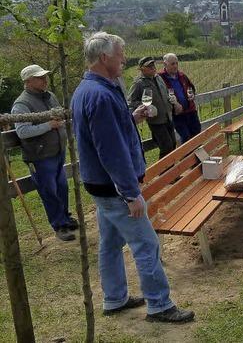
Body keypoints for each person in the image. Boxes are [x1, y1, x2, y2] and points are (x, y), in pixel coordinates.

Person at [71, 32, 194, 323]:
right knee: (146, 244)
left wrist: (131, 118)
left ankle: (114, 298)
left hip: (99, 185)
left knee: (111, 244)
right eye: (120, 54)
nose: (124, 59)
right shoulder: (100, 95)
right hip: (114, 188)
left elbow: (105, 132)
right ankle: (159, 304)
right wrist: (129, 193)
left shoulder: (87, 89)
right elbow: (110, 151)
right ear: (104, 57)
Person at [11, 64, 78, 242]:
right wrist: (49, 125)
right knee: (49, 190)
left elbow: (58, 116)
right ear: (28, 81)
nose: (45, 80)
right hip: (39, 156)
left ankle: (65, 217)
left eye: (44, 77)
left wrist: (61, 121)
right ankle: (59, 225)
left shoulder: (50, 96)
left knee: (61, 186)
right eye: (40, 77)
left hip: (56, 150)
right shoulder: (22, 103)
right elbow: (22, 131)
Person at [128, 56, 177, 158]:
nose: (153, 67)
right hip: (156, 121)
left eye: (153, 65)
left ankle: (170, 172)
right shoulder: (138, 83)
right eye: (149, 66)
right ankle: (164, 172)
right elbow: (131, 102)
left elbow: (165, 92)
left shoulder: (158, 78)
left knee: (173, 145)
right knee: (166, 147)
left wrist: (171, 99)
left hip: (168, 117)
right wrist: (146, 107)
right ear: (142, 69)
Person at [158, 53, 201, 143]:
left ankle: (197, 156)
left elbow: (191, 88)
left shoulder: (182, 75)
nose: (175, 66)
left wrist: (192, 94)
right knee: (185, 137)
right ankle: (187, 156)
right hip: (177, 114)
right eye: (172, 64)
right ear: (165, 64)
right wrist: (175, 104)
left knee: (197, 134)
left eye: (176, 63)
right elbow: (160, 95)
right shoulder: (160, 78)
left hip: (190, 111)